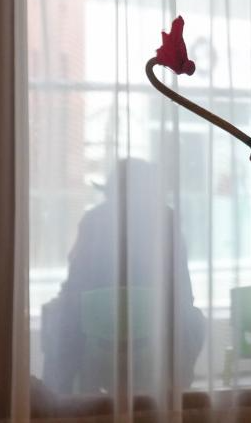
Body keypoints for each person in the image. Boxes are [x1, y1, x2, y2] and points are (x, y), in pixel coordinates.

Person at [41, 158, 206, 394]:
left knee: (56, 315)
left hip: (97, 339)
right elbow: (182, 286)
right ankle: (173, 391)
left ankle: (57, 397)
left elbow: (77, 279)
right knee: (194, 320)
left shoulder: (94, 219)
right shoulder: (166, 219)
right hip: (155, 337)